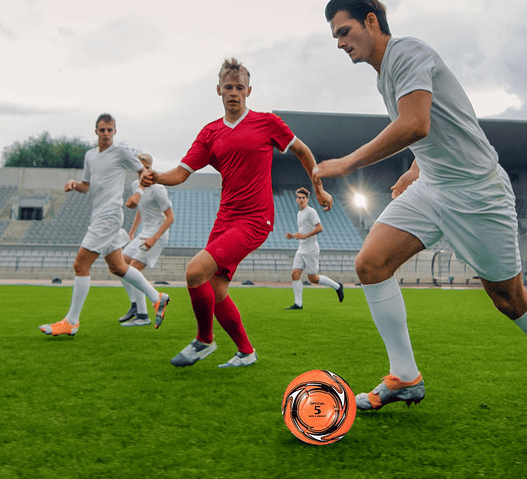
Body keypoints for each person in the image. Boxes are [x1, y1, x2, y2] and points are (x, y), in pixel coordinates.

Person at [315, 0, 527, 412]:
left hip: (478, 193)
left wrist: (348, 162)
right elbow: (443, 127)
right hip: (432, 187)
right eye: (335, 37)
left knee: (508, 298)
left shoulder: (407, 52)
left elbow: (416, 124)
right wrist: (416, 169)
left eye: (344, 31)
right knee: (370, 263)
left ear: (371, 21)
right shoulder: (385, 73)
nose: (341, 43)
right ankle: (404, 377)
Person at [140, 58, 333, 368]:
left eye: (239, 87)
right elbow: (181, 172)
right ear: (218, 90)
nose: (234, 92)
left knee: (193, 272)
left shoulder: (267, 122)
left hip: (256, 219)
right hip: (225, 218)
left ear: (249, 90)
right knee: (215, 291)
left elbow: (302, 150)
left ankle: (204, 341)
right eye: (228, 87)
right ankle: (246, 352)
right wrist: (156, 176)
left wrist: (319, 187)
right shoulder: (210, 133)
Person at [39, 114, 170, 337]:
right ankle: (157, 297)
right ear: (96, 131)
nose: (106, 134)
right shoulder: (90, 155)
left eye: (110, 130)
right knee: (118, 267)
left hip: (109, 217)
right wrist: (74, 184)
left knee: (80, 265)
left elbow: (145, 173)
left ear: (115, 131)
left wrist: (138, 193)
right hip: (98, 215)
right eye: (102, 130)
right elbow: (86, 186)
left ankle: (71, 322)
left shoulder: (121, 152)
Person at [119, 153, 175, 327]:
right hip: (143, 233)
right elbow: (140, 210)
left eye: (146, 167)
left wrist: (154, 238)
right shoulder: (136, 185)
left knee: (134, 269)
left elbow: (170, 217)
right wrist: (132, 232)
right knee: (119, 265)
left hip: (157, 235)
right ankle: (136, 305)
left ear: (150, 167)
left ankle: (143, 315)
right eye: (140, 167)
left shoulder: (158, 188)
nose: (143, 170)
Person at [285, 187, 343, 309]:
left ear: (307, 199)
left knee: (313, 279)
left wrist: (304, 236)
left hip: (311, 249)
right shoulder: (299, 213)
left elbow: (319, 228)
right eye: (299, 198)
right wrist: (293, 236)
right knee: (295, 273)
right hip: (301, 249)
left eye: (303, 198)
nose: (301, 200)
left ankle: (337, 286)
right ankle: (298, 304)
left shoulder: (311, 211)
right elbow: (303, 231)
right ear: (296, 200)